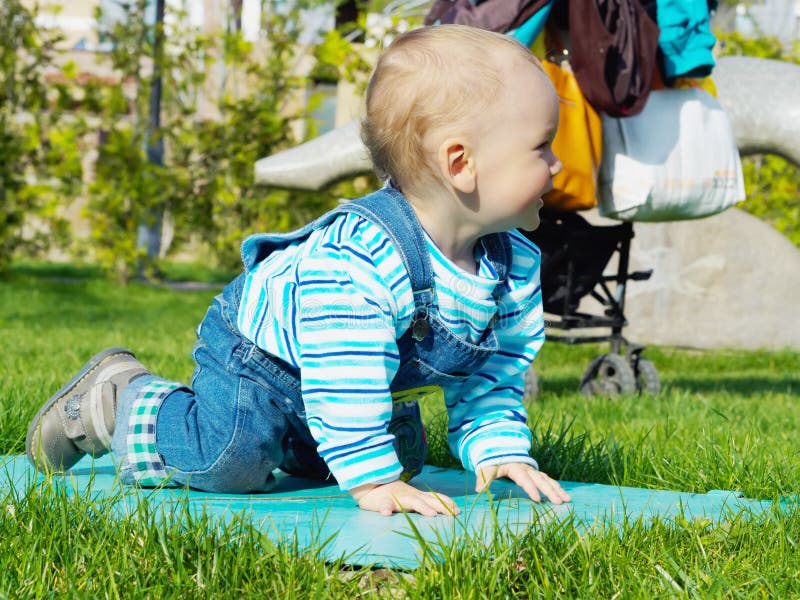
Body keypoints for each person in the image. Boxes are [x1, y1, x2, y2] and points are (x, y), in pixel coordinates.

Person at [26, 24, 571, 517]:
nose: (558, 165)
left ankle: (307, 442)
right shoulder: (362, 259)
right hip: (261, 356)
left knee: (398, 459)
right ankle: (125, 398)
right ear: (461, 164)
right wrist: (372, 482)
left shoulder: (511, 267)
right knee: (231, 458)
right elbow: (343, 368)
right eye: (541, 147)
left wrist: (501, 452)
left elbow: (490, 378)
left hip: (351, 380)